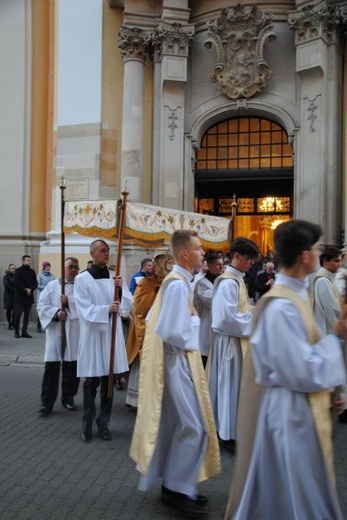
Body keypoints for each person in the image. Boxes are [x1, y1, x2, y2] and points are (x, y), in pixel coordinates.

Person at [226, 220, 347, 520]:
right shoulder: (279, 306)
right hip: (287, 417)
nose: (321, 254)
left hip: (298, 409)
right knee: (292, 500)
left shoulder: (296, 295)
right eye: (318, 249)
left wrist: (331, 388)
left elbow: (305, 352)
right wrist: (336, 338)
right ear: (305, 255)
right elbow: (299, 370)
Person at [130, 230, 221, 518]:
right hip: (177, 362)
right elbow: (170, 330)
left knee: (181, 424)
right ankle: (176, 489)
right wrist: (194, 322)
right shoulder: (177, 286)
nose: (203, 252)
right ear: (184, 253)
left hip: (179, 361)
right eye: (198, 248)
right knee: (193, 426)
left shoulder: (182, 281)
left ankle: (177, 486)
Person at [74, 239, 133, 442]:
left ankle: (103, 422)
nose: (106, 254)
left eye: (108, 251)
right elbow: (83, 308)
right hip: (93, 334)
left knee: (108, 382)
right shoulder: (82, 279)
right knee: (91, 381)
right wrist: (106, 309)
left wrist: (121, 289)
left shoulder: (114, 277)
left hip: (111, 334)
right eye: (102, 251)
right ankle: (87, 421)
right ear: (92, 254)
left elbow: (127, 304)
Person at [208, 237, 259, 452]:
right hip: (230, 343)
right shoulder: (228, 282)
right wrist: (256, 322)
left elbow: (241, 311)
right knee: (229, 387)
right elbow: (226, 319)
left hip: (237, 341)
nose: (251, 264)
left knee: (234, 387)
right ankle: (227, 434)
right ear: (237, 256)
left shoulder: (237, 280)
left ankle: (233, 430)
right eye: (249, 259)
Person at [125, 253, 174, 408]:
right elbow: (139, 307)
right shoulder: (145, 283)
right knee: (143, 365)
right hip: (146, 328)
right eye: (163, 266)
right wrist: (157, 292)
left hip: (164, 329)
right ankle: (136, 400)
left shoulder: (172, 283)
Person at [37, 257, 80, 414]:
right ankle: (47, 402)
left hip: (74, 332)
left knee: (71, 368)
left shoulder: (80, 287)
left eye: (76, 267)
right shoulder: (52, 286)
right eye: (71, 267)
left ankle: (68, 398)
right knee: (52, 368)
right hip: (56, 331)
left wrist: (69, 302)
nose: (74, 270)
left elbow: (84, 306)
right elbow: (41, 305)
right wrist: (56, 314)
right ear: (63, 268)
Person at [194, 254, 224, 367]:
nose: (221, 267)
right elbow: (209, 301)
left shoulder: (222, 281)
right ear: (210, 266)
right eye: (218, 264)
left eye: (222, 264)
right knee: (205, 357)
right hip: (206, 324)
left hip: (219, 324)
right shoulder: (201, 283)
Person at [311, 245, 342, 336]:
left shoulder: (327, 277)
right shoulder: (323, 280)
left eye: (340, 261)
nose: (339, 264)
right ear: (325, 261)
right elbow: (331, 309)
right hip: (326, 329)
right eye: (336, 261)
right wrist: (340, 329)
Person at [13, 255, 38, 338]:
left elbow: (35, 283)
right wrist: (25, 289)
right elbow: (16, 282)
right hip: (20, 296)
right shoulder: (18, 271)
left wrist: (31, 289)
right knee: (18, 313)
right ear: (23, 261)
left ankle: (24, 331)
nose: (29, 262)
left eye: (30, 260)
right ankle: (16, 331)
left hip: (29, 296)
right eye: (27, 260)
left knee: (27, 315)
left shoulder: (32, 271)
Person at [36, 261, 55, 332]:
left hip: (50, 295)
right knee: (41, 309)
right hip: (42, 294)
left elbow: (54, 285)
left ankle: (48, 325)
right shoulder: (40, 275)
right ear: (44, 267)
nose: (48, 268)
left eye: (49, 266)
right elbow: (38, 285)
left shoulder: (52, 276)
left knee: (49, 309)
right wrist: (47, 288)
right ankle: (38, 326)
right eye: (46, 266)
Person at [3, 263, 16, 329]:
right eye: (12, 268)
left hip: (15, 296)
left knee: (15, 310)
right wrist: (14, 289)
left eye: (14, 268)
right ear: (9, 269)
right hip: (8, 295)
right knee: (9, 310)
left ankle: (13, 322)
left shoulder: (16, 276)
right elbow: (7, 285)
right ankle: (9, 324)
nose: (13, 270)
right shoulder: (6, 276)